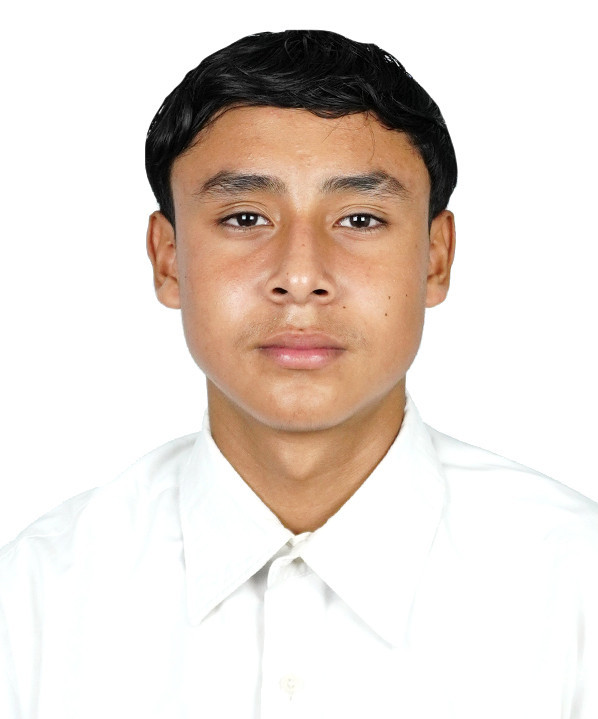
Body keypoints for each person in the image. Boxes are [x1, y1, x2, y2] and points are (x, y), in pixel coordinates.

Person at [1, 29, 596, 719]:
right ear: (168, 259)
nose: (301, 275)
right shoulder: (35, 602)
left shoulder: (576, 590)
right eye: (245, 217)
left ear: (435, 258)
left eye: (360, 218)